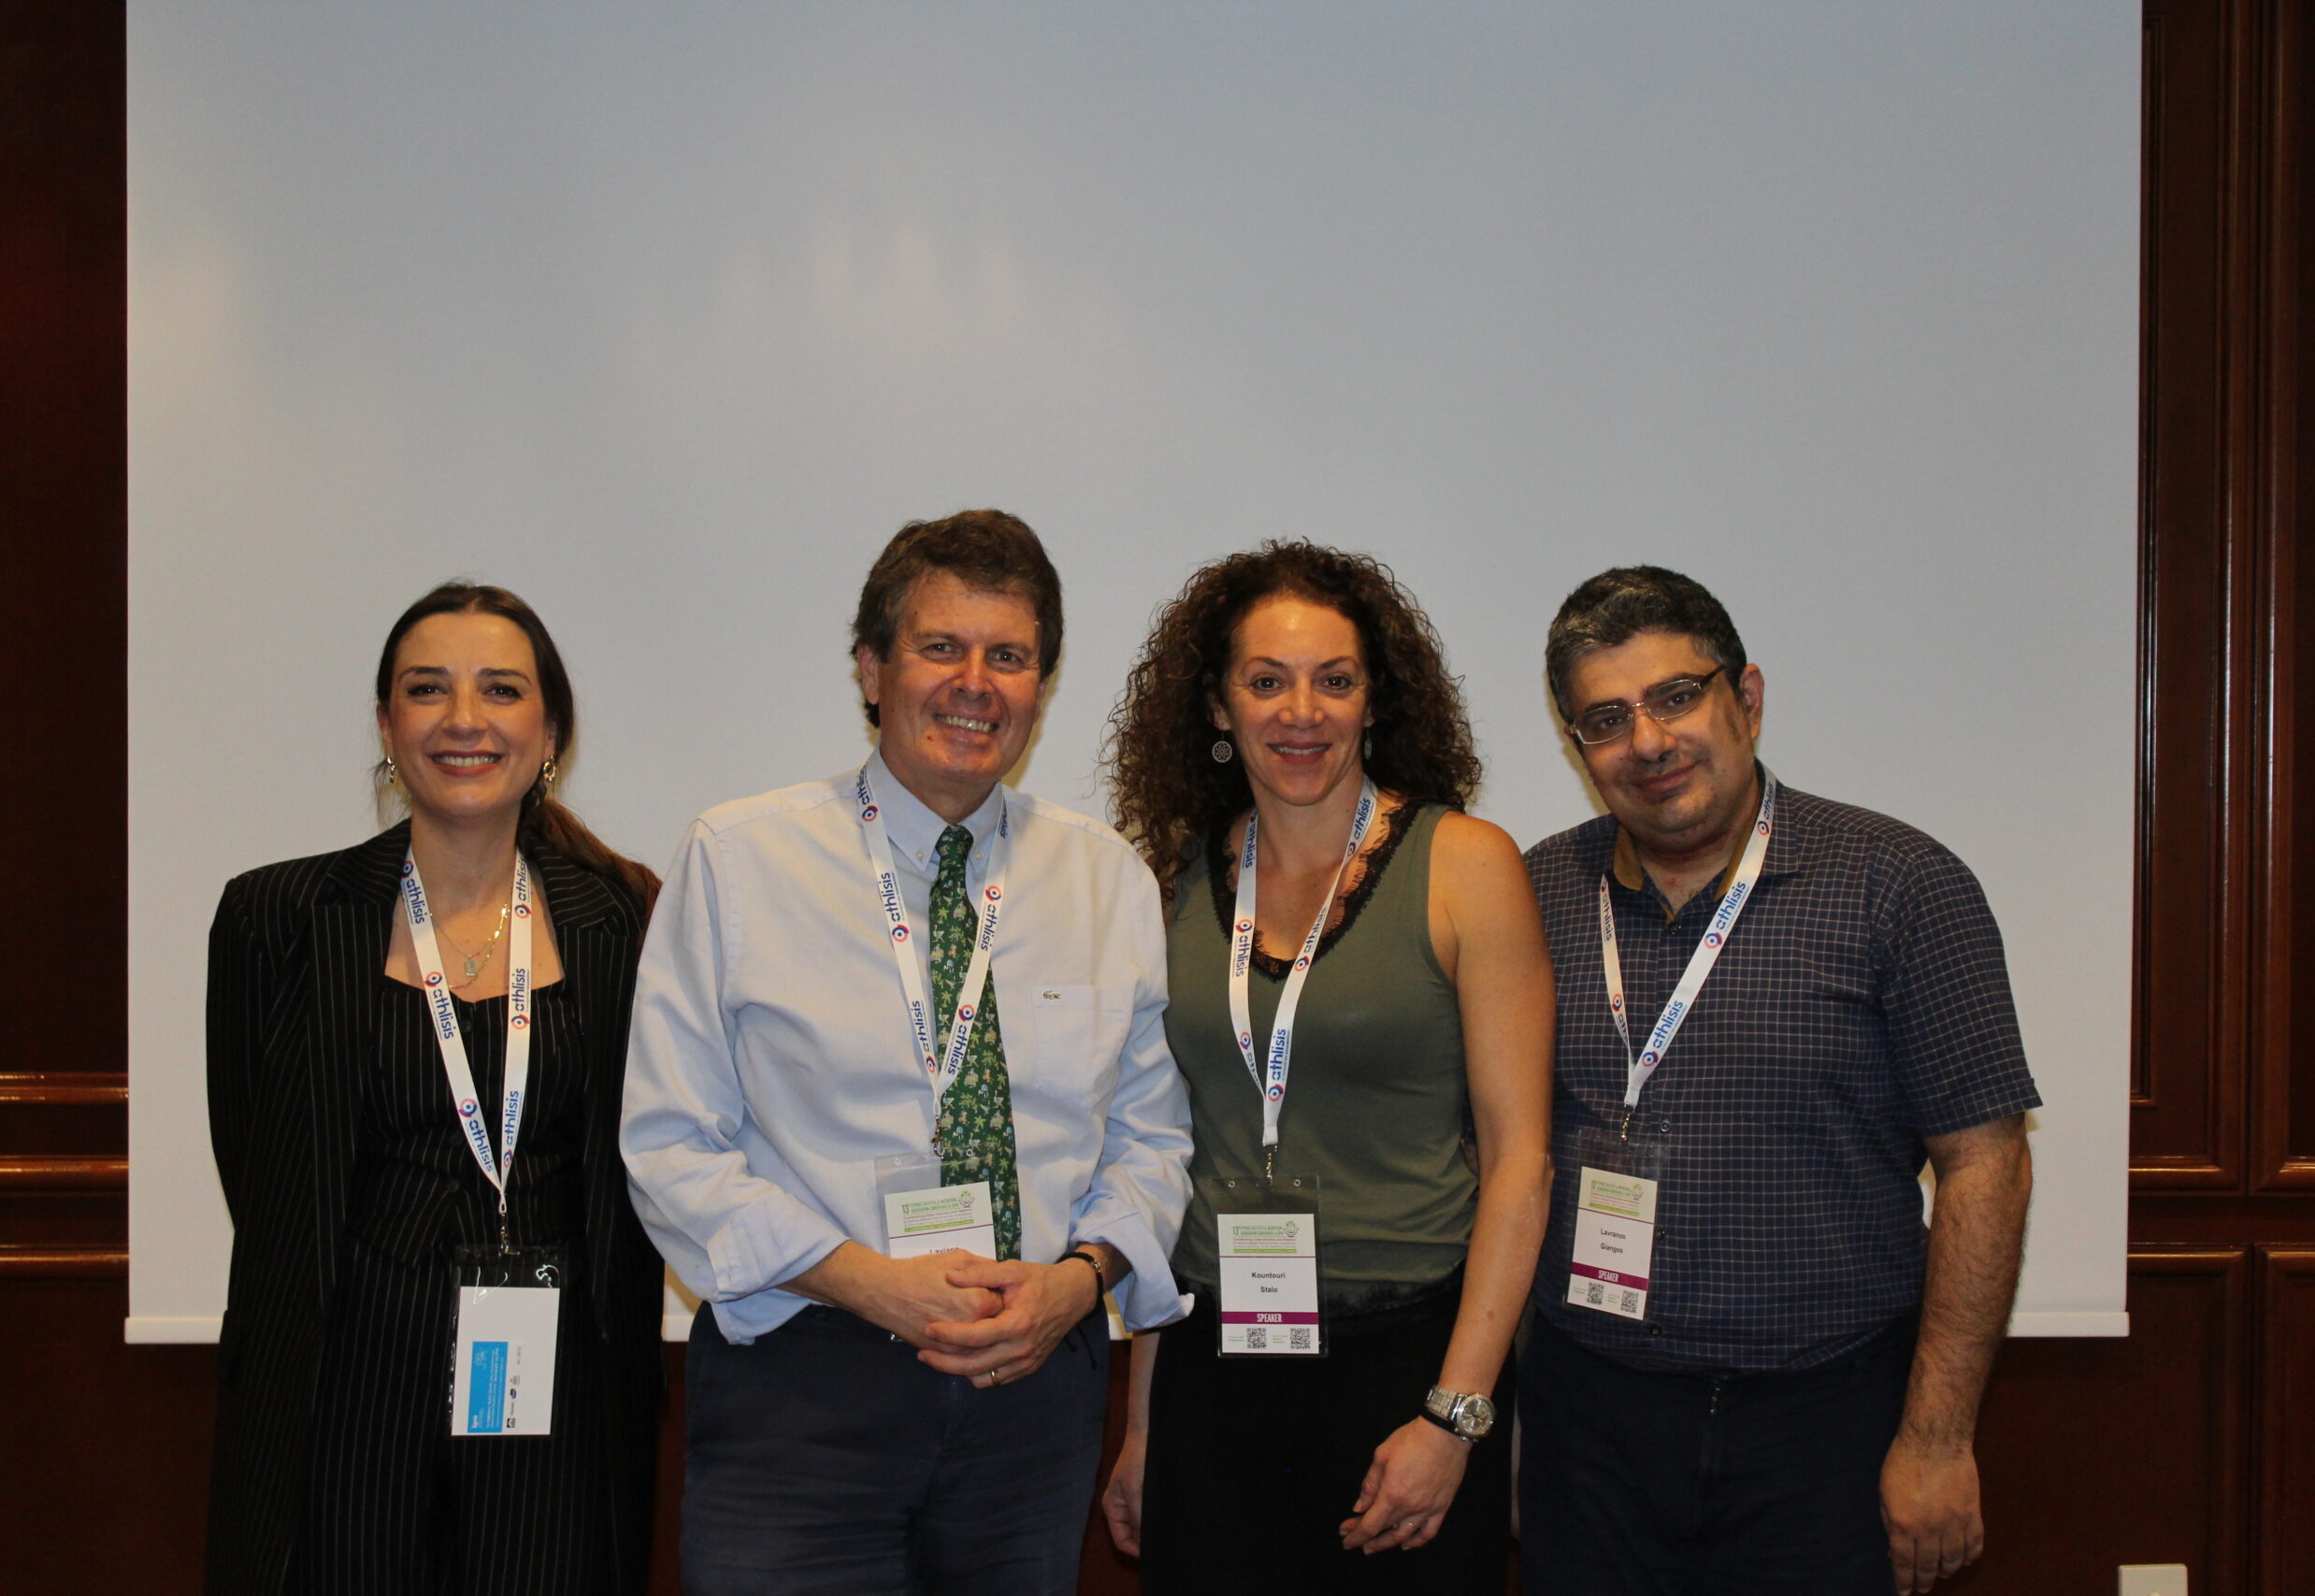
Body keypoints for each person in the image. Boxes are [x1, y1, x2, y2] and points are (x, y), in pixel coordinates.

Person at [620, 509, 1194, 1596]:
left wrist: (1081, 1284)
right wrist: (870, 1284)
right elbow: (670, 1147)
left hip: (1032, 1395)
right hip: (807, 1384)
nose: (975, 684)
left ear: (1041, 686)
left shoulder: (1105, 878)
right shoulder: (741, 860)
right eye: (941, 647)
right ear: (871, 667)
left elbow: (1152, 1141)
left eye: (1008, 657)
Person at [1515, 566, 2040, 1596]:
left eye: (1675, 696)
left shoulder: (1901, 885)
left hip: (1826, 1424)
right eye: (1607, 720)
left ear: (1746, 698)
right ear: (1578, 748)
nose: (1648, 742)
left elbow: (1987, 1166)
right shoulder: (1535, 895)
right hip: (1591, 1425)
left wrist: (1936, 1440)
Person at [1099, 541, 1553, 1594]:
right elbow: (1173, 1161)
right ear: (1217, 706)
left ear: (1374, 701)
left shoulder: (1465, 865)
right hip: (1213, 1367)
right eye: (1267, 682)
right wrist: (1143, 1426)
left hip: (1406, 1371)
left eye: (1333, 680)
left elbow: (1520, 1164)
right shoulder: (1175, 884)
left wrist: (1456, 1415)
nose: (1300, 712)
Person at [204, 582, 667, 1595]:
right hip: (338, 1383)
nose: (464, 719)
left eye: (500, 689)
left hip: (555, 1384)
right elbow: (257, 1167)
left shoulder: (623, 920)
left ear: (550, 731)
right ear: (386, 725)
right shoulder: (276, 917)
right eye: (427, 689)